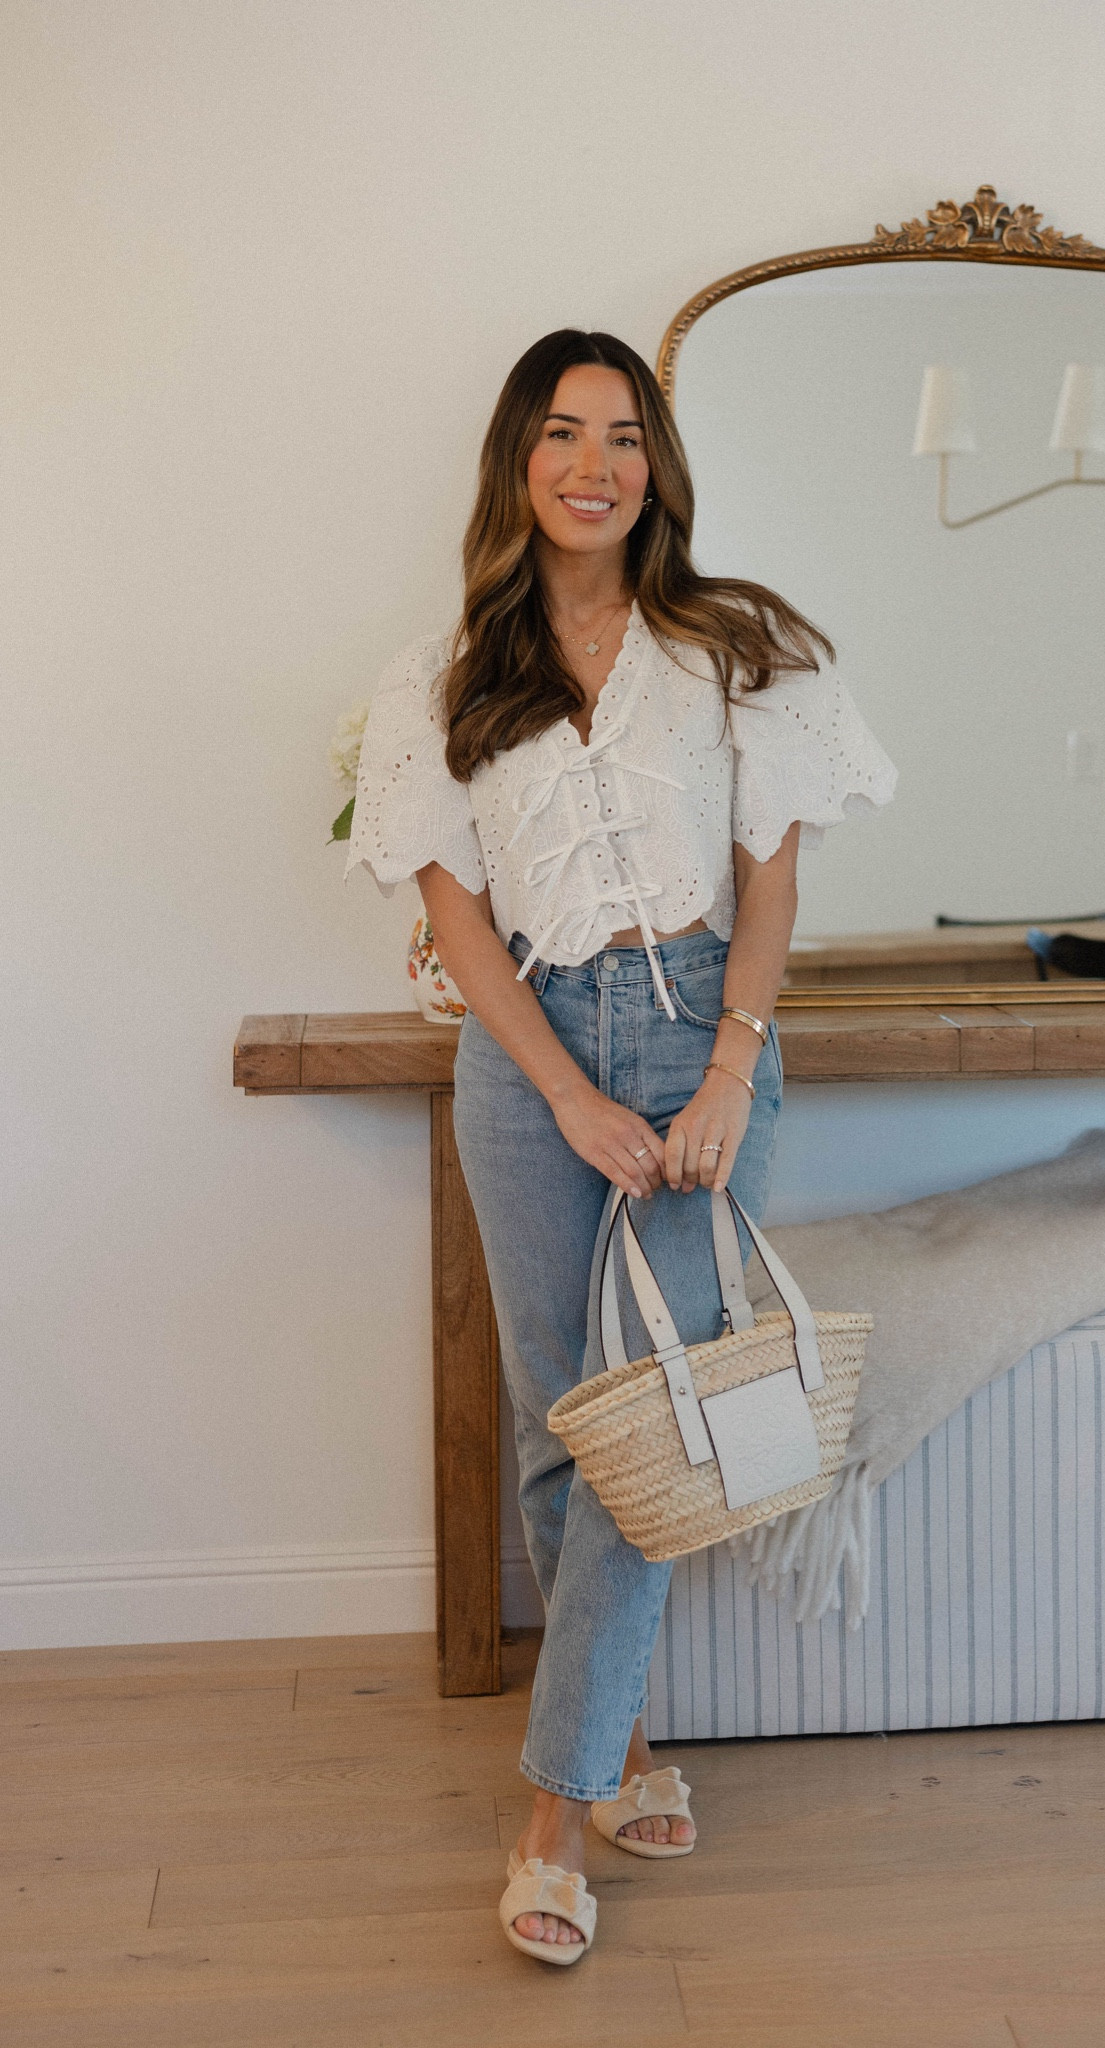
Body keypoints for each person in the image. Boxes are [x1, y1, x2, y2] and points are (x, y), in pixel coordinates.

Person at [346, 328, 895, 1962]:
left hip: (693, 1032)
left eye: (627, 437)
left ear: (657, 466)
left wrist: (725, 1069)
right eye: (565, 434)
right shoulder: (439, 677)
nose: (597, 465)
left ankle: (545, 1814)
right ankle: (630, 1749)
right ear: (517, 461)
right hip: (525, 1057)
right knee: (553, 1417)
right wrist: (564, 1091)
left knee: (647, 1419)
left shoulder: (745, 648)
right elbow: (452, 912)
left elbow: (773, 880)